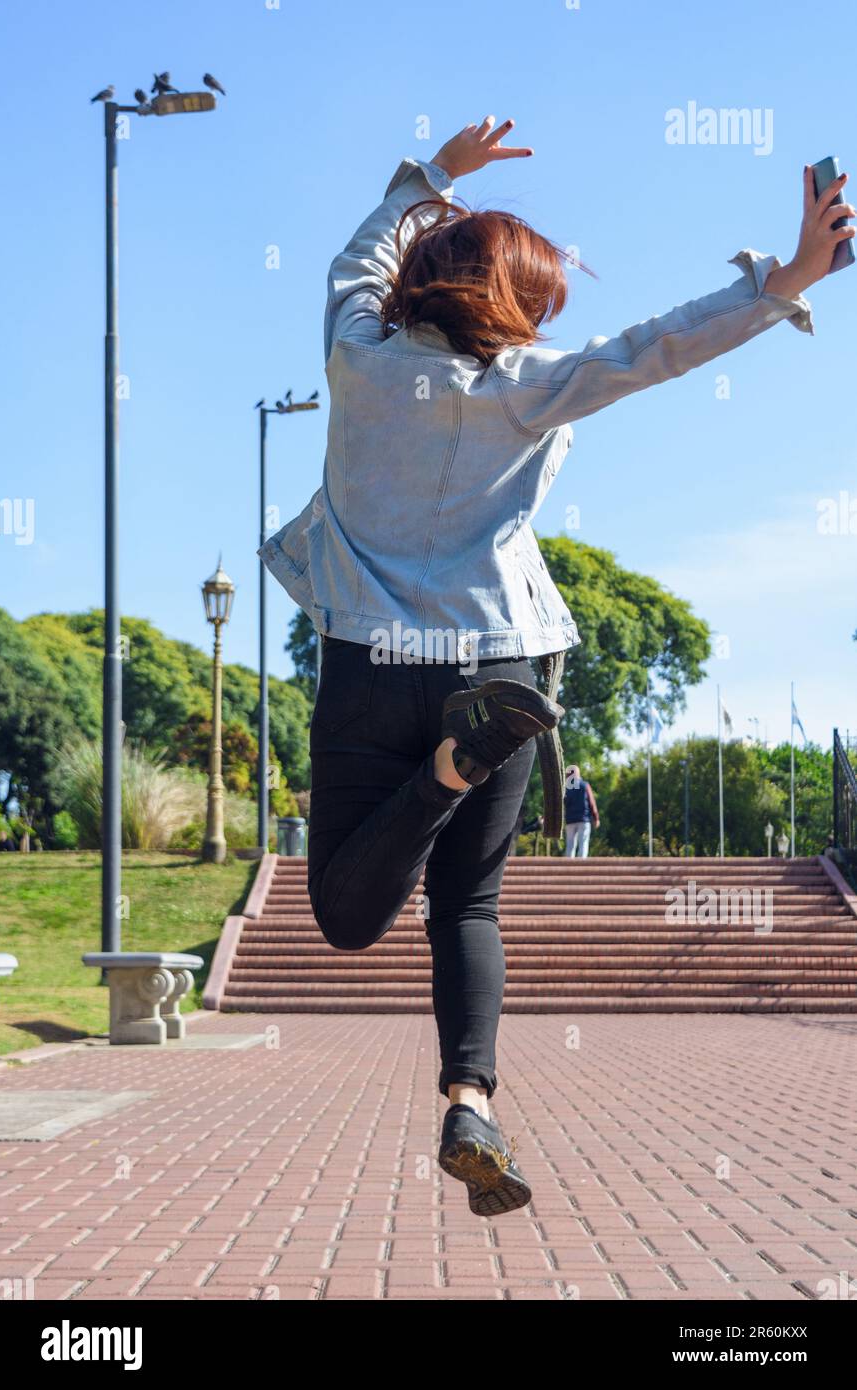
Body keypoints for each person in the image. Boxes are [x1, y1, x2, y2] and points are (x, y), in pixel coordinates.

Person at [259, 117, 851, 1217]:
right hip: (498, 661)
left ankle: (440, 772)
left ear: (422, 287)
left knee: (344, 914)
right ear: (505, 308)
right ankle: (468, 1096)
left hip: (371, 655)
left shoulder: (354, 355)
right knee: (467, 903)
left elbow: (355, 259)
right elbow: (652, 349)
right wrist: (779, 283)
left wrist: (431, 177)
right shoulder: (529, 385)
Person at [562, 766, 599, 857]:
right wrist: (596, 818)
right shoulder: (584, 785)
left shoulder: (566, 788)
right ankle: (581, 868)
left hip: (570, 820)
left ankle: (568, 868)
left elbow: (563, 803)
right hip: (583, 819)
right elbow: (592, 803)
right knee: (583, 843)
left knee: (570, 845)